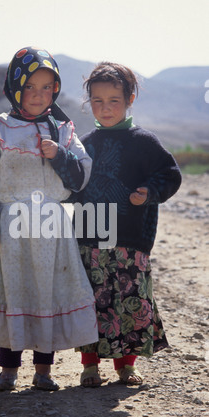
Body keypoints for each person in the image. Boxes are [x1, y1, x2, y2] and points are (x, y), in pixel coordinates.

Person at [0, 47, 98, 391]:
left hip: (51, 229)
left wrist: (60, 156)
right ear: (15, 86)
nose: (39, 95)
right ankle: (8, 369)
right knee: (14, 291)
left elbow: (81, 177)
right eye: (31, 87)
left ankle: (44, 371)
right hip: (11, 228)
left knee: (48, 292)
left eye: (47, 87)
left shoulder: (64, 131)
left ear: (55, 90)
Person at [72, 61, 182, 386]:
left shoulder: (144, 142)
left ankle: (126, 366)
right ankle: (89, 366)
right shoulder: (85, 144)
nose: (105, 108)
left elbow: (170, 174)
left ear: (130, 99)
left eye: (114, 101)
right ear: (89, 102)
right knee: (92, 301)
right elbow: (73, 185)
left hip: (131, 241)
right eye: (97, 101)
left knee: (129, 303)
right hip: (91, 239)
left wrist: (149, 192)